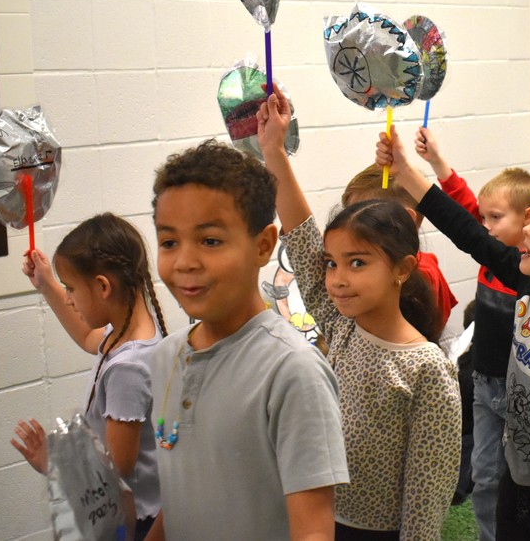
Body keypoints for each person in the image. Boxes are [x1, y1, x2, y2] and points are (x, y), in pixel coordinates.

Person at [377, 127, 530, 541]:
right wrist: (406, 171)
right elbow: (467, 231)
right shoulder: (527, 284)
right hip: (517, 473)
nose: (528, 230)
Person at [259, 89, 461, 540]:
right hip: (321, 519)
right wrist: (273, 149)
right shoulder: (341, 325)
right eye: (332, 263)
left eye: (357, 263)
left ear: (402, 269)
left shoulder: (427, 371)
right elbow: (301, 234)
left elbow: (426, 500)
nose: (336, 278)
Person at [147, 139, 348, 541]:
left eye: (210, 241)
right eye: (169, 242)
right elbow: (186, 493)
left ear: (262, 246)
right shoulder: (165, 356)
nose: (184, 261)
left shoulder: (292, 371)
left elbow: (312, 531)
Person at [10, 214, 169, 540]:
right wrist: (47, 284)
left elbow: (116, 468)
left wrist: (52, 464)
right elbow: (86, 336)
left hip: (136, 522)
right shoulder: (129, 331)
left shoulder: (129, 369)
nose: (68, 297)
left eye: (71, 288)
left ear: (102, 286)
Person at [413, 125, 530, 541]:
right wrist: (435, 161)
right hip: (485, 385)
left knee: (523, 483)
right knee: (484, 477)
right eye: (483, 218)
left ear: (529, 220)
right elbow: (462, 203)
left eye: (495, 219)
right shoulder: (488, 248)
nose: (484, 227)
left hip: (524, 393)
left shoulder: (529, 270)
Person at [342, 163, 458, 325]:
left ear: (404, 220)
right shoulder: (424, 264)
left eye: (363, 218)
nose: (349, 227)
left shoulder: (420, 277)